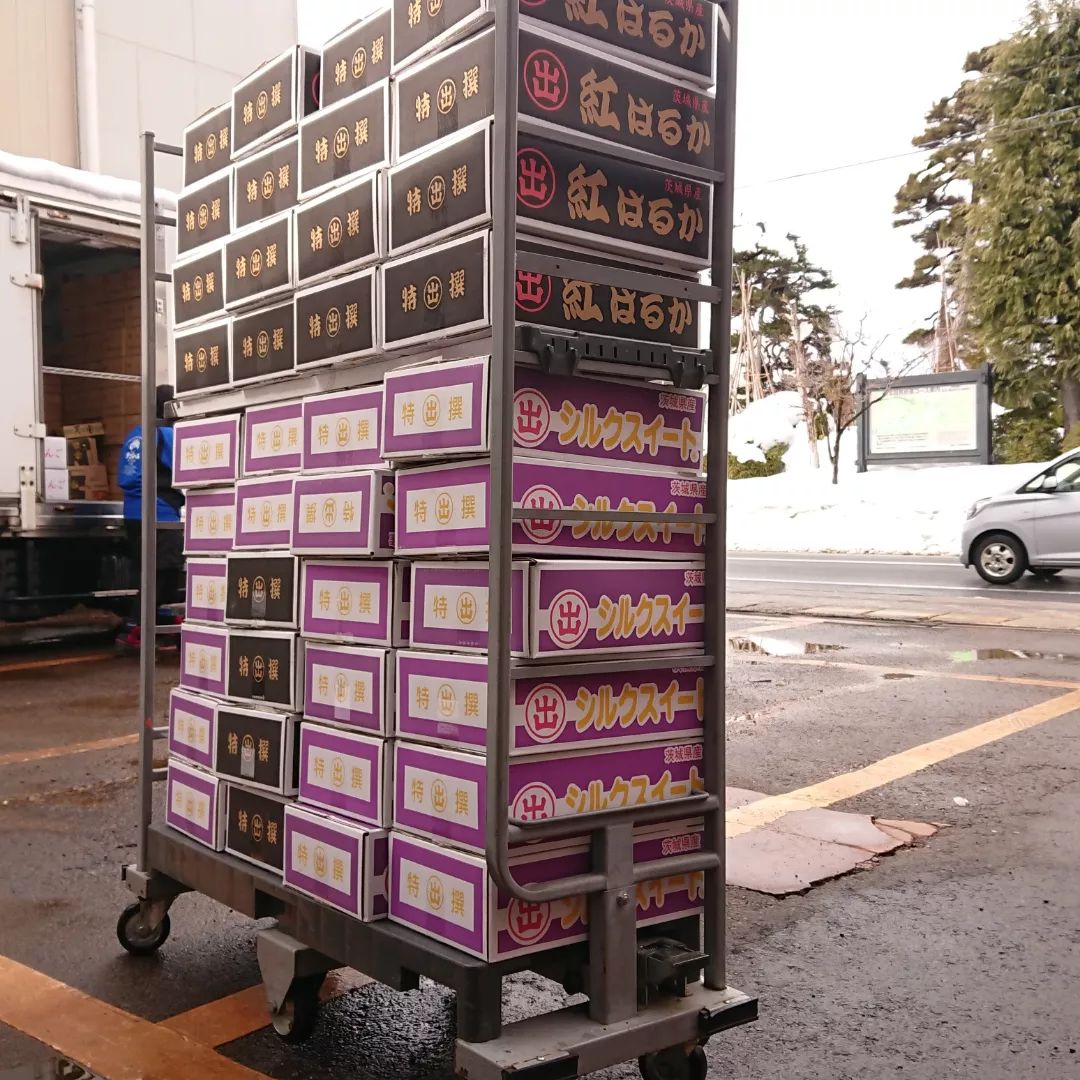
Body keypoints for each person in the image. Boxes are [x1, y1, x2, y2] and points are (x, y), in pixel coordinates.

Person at [116, 385, 185, 650]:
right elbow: (188, 469)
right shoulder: (167, 433)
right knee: (164, 576)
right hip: (160, 513)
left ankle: (152, 623)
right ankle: (133, 629)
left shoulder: (137, 433)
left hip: (133, 515)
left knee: (149, 575)